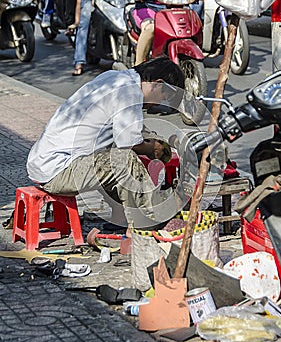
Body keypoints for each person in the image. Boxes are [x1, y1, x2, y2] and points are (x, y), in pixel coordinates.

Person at [26, 56, 185, 230]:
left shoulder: (114, 78)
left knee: (112, 154)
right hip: (57, 171)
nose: (157, 105)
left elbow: (127, 131)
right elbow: (129, 143)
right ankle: (156, 218)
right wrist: (153, 148)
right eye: (162, 98)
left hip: (42, 165)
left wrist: (151, 140)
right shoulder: (130, 92)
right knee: (124, 160)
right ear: (158, 83)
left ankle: (120, 216)